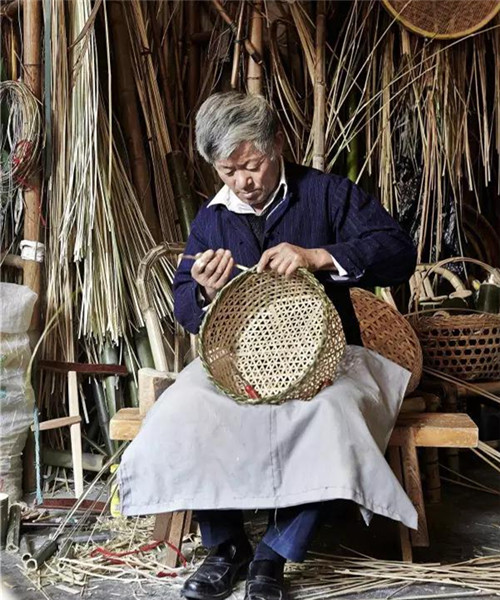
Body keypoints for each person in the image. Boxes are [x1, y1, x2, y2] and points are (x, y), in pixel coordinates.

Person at [118, 92, 418, 600]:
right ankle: (226, 546)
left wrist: (320, 255)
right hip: (237, 364)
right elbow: (184, 307)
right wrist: (205, 290)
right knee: (184, 410)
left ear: (277, 145)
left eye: (251, 166)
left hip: (328, 356)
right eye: (227, 171)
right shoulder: (212, 218)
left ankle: (274, 555)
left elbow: (398, 252)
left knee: (334, 416)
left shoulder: (327, 195)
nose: (242, 182)